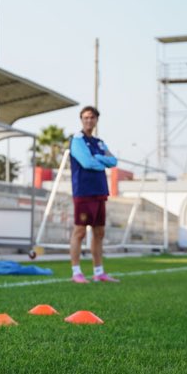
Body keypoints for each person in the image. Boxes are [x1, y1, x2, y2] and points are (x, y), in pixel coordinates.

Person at [69, 105, 119, 283]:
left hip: (100, 191)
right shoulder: (77, 139)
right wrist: (100, 161)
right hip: (84, 191)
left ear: (97, 120)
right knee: (80, 231)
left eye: (92, 117)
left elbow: (113, 161)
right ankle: (76, 272)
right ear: (81, 120)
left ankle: (99, 272)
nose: (89, 120)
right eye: (85, 117)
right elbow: (86, 163)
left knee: (99, 232)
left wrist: (97, 158)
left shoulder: (99, 142)